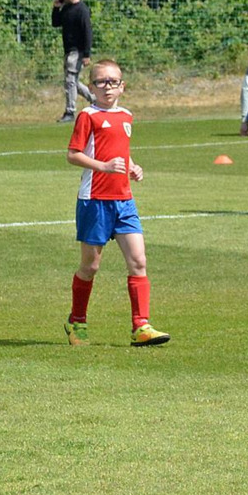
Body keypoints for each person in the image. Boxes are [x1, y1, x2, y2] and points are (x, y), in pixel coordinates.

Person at [63, 59, 169, 348]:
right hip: (94, 201)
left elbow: (122, 151)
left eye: (112, 82)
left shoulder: (126, 116)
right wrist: (104, 166)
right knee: (91, 266)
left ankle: (141, 326)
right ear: (91, 87)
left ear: (122, 86)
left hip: (124, 201)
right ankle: (77, 321)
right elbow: (73, 154)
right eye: (100, 82)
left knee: (138, 261)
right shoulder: (88, 116)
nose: (107, 87)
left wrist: (132, 167)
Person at [52, 0, 93, 123]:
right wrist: (56, 8)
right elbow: (55, 23)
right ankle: (95, 100)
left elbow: (87, 32)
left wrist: (87, 54)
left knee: (70, 81)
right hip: (68, 50)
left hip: (78, 51)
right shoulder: (66, 8)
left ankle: (70, 111)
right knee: (72, 81)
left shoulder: (82, 9)